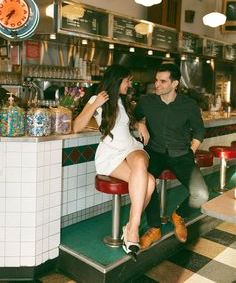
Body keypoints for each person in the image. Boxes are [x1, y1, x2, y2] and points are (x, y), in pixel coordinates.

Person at [73, 64, 155, 260]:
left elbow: (127, 122)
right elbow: (76, 126)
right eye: (127, 80)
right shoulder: (98, 99)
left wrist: (140, 124)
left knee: (141, 165)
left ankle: (132, 228)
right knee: (150, 183)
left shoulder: (124, 101)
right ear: (117, 80)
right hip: (111, 153)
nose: (129, 84)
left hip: (131, 147)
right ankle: (130, 228)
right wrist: (94, 104)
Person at [135, 62, 209, 250]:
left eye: (162, 81)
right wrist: (140, 122)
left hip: (181, 153)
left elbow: (199, 130)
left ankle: (179, 215)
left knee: (201, 194)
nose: (156, 85)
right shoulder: (147, 102)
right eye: (156, 80)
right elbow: (133, 115)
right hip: (155, 152)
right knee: (146, 183)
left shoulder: (188, 105)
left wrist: (191, 150)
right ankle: (154, 227)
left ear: (175, 84)